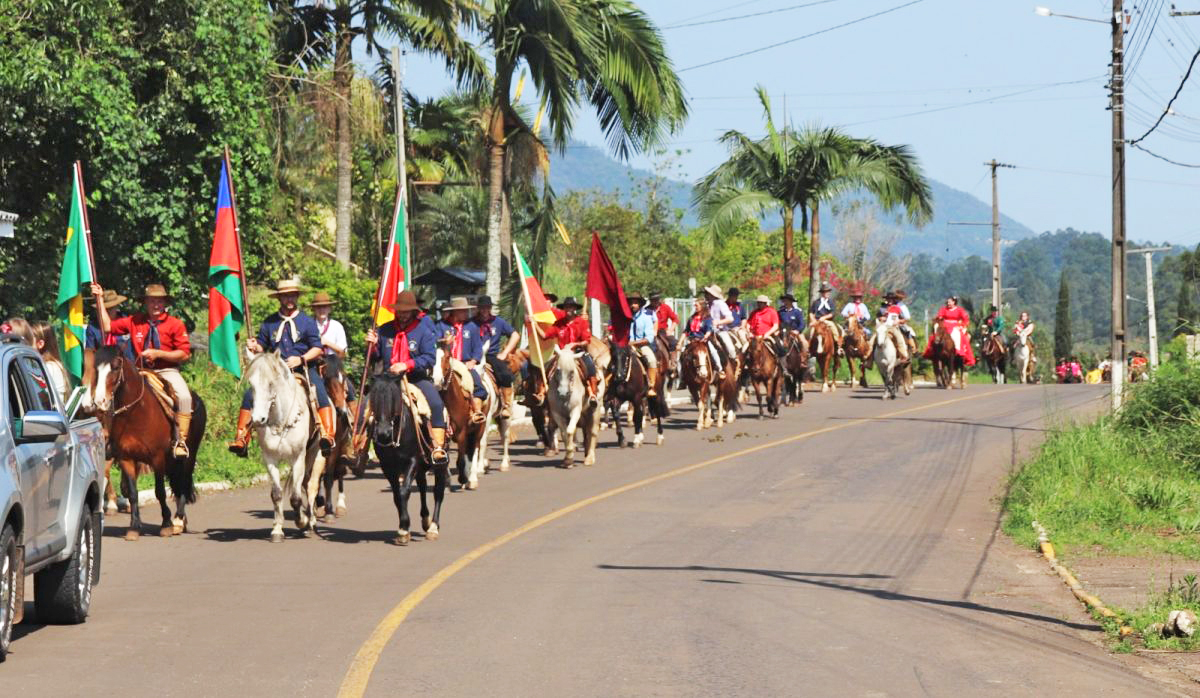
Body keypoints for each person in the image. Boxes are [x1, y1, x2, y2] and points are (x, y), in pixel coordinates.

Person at [228, 280, 335, 457]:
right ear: (280, 298)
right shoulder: (270, 322)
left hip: (303, 369)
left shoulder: (307, 322)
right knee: (250, 394)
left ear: (297, 297)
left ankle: (327, 434)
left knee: (320, 391)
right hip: (275, 372)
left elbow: (317, 348)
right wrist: (255, 346)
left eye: (292, 295)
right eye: (286, 296)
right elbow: (263, 346)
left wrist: (301, 359)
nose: (289, 299)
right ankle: (242, 436)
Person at [93, 283, 195, 458]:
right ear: (145, 303)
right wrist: (100, 299)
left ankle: (181, 441)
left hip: (166, 371)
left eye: (159, 301)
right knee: (113, 395)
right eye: (151, 301)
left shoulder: (175, 324)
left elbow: (184, 353)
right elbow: (108, 326)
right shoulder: (135, 320)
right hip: (140, 371)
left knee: (184, 397)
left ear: (165, 303)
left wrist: (159, 353)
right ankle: (112, 440)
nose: (156, 305)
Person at [365, 290, 449, 465]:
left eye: (406, 311)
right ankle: (359, 447)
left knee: (435, 403)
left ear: (413, 311)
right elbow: (376, 356)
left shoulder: (423, 331)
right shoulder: (385, 329)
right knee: (365, 405)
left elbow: (429, 358)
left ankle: (437, 446)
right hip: (388, 381)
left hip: (415, 378)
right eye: (400, 311)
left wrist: (407, 364)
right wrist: (372, 346)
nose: (402, 315)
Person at [536, 296, 599, 404]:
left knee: (590, 367)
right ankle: (541, 393)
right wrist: (535, 325)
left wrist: (576, 344)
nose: (569, 309)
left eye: (571, 307)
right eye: (567, 307)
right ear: (564, 309)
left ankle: (593, 394)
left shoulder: (581, 322)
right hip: (562, 353)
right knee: (546, 367)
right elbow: (545, 336)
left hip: (578, 352)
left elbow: (586, 340)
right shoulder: (558, 323)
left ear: (575, 308)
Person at [436, 296, 488, 424]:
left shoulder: (472, 326)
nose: (465, 313)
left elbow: (478, 347)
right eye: (461, 311)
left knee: (479, 386)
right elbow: (432, 342)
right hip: (446, 362)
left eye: (466, 311)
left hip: (464, 363)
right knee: (435, 382)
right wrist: (442, 341)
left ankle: (476, 411)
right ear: (453, 311)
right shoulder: (441, 325)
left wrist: (474, 361)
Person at [474, 295, 520, 418]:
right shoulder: (472, 322)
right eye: (482, 308)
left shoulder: (498, 322)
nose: (484, 310)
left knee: (505, 374)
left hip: (492, 355)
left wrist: (505, 353)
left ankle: (506, 405)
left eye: (487, 307)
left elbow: (515, 335)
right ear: (478, 308)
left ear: (490, 308)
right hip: (474, 355)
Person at [923, 295, 975, 366]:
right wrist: (939, 319)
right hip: (944, 325)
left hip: (955, 326)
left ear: (954, 302)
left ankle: (957, 350)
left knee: (957, 335)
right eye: (947, 302)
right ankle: (932, 351)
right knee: (935, 335)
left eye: (950, 302)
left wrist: (961, 326)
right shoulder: (943, 309)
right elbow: (939, 316)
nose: (948, 303)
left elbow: (965, 320)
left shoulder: (959, 310)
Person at [626, 293, 660, 397]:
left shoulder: (646, 318)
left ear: (640, 304)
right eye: (631, 303)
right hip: (626, 346)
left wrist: (633, 343)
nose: (633, 305)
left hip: (641, 346)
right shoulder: (626, 317)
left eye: (635, 303)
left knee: (652, 360)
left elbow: (649, 338)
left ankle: (651, 386)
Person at [704, 285, 738, 379]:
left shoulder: (720, 304)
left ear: (712, 295)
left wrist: (719, 322)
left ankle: (734, 363)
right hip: (706, 331)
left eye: (707, 294)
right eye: (705, 293)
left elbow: (730, 318)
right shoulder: (705, 305)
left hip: (720, 330)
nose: (705, 295)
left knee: (730, 348)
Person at [31, 321, 69, 404]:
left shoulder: (48, 367)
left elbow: (38, 397)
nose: (25, 344)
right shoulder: (53, 364)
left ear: (40, 344)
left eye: (29, 340)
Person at [809, 281, 843, 351]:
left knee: (835, 329)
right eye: (825, 292)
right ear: (822, 293)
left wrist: (824, 318)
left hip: (828, 321)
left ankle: (838, 346)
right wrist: (813, 320)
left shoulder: (831, 302)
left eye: (828, 291)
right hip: (817, 321)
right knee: (809, 332)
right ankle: (808, 349)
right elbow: (811, 312)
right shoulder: (816, 302)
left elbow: (832, 313)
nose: (827, 293)